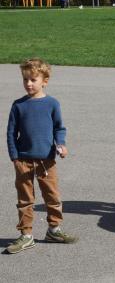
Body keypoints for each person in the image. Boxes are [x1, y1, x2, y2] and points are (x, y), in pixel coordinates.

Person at [5, 58, 77, 254]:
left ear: (44, 80)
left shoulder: (52, 103)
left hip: (47, 160)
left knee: (52, 196)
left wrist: (61, 145)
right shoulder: (18, 105)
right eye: (25, 79)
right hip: (23, 160)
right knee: (25, 199)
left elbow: (59, 128)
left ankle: (54, 230)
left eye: (33, 79)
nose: (28, 83)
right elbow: (11, 133)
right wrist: (14, 157)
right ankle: (26, 235)